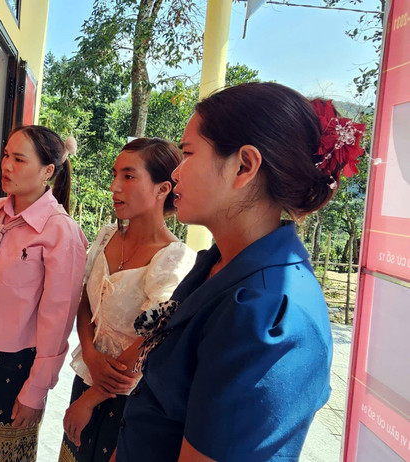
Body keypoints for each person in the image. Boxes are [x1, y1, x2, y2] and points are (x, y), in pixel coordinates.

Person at [114, 82, 366, 461]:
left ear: (244, 166)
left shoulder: (269, 316)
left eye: (188, 153)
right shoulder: (218, 264)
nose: (177, 173)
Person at [0, 125, 88, 461]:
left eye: (19, 159)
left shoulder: (60, 233)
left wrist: (36, 389)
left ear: (48, 171)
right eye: (6, 155)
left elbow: (58, 319)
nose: (7, 165)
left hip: (16, 366)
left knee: (0, 453)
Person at [60, 138, 196, 462]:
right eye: (114, 174)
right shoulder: (107, 236)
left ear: (163, 188)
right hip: (86, 379)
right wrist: (90, 354)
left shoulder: (173, 258)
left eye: (129, 176)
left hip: (129, 401)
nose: (114, 186)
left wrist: (90, 400)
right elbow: (85, 303)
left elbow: (152, 337)